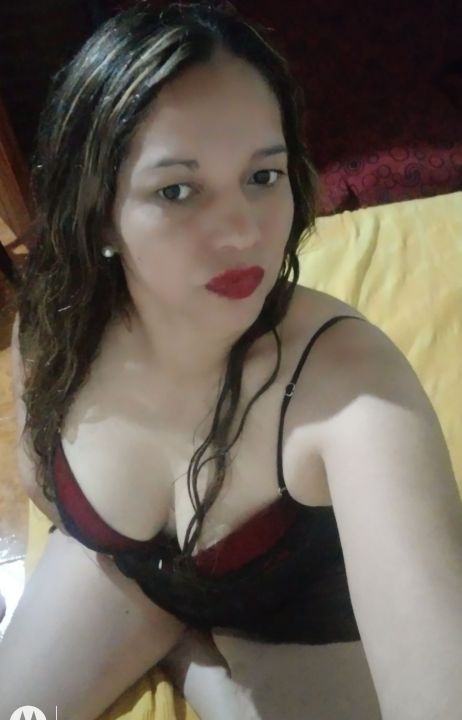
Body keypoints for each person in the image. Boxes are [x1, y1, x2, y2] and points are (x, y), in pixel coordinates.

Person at [2, 2, 462, 719]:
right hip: (129, 581)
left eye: (263, 176)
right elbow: (42, 486)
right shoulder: (55, 325)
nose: (244, 233)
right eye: (177, 190)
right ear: (98, 214)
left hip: (300, 636)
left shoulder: (354, 392)